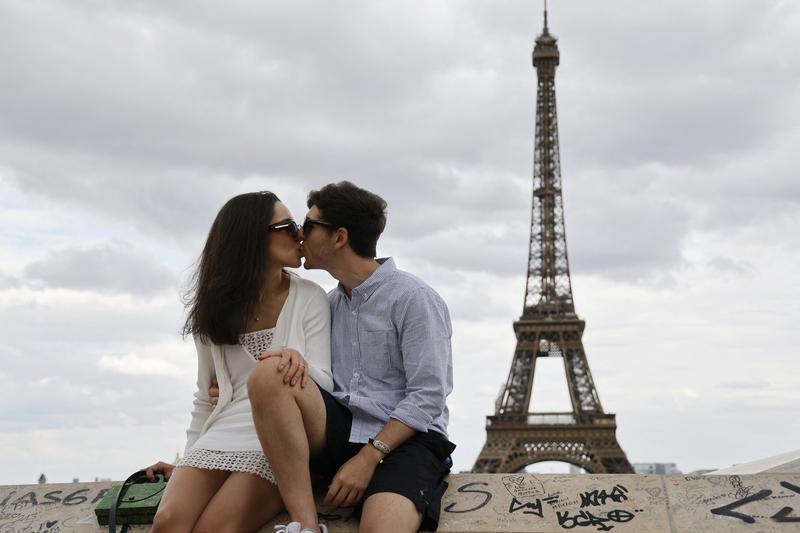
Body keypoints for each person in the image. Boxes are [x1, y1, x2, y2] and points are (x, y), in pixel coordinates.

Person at [245, 181, 455, 533]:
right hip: (342, 428)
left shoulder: (414, 298)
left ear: (339, 237)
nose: (299, 234)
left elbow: (428, 396)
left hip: (407, 440)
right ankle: (305, 527)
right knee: (272, 371)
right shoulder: (326, 305)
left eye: (308, 226)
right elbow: (294, 383)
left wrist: (369, 457)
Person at [145, 191, 334, 533]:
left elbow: (326, 384)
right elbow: (205, 399)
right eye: (287, 226)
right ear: (251, 237)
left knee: (214, 528)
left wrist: (297, 363)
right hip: (224, 430)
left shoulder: (309, 298)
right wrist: (187, 459)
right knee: (167, 522)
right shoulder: (212, 312)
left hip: (279, 433)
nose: (299, 234)